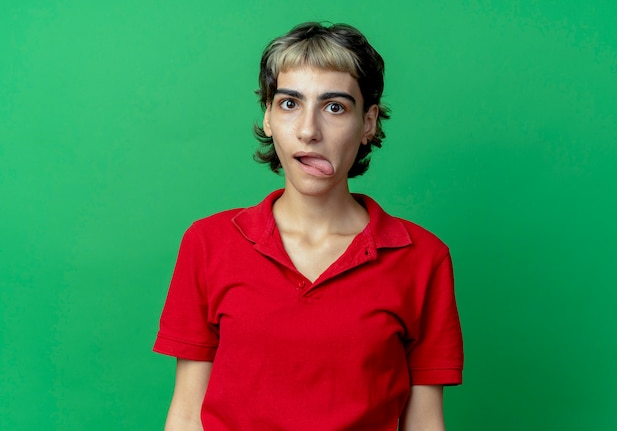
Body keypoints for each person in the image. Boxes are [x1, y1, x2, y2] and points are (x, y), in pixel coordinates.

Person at [154, 21, 463, 431]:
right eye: (289, 104)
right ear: (267, 117)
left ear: (368, 123)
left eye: (334, 107)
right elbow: (188, 413)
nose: (308, 131)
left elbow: (424, 423)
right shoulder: (209, 243)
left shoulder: (422, 257)